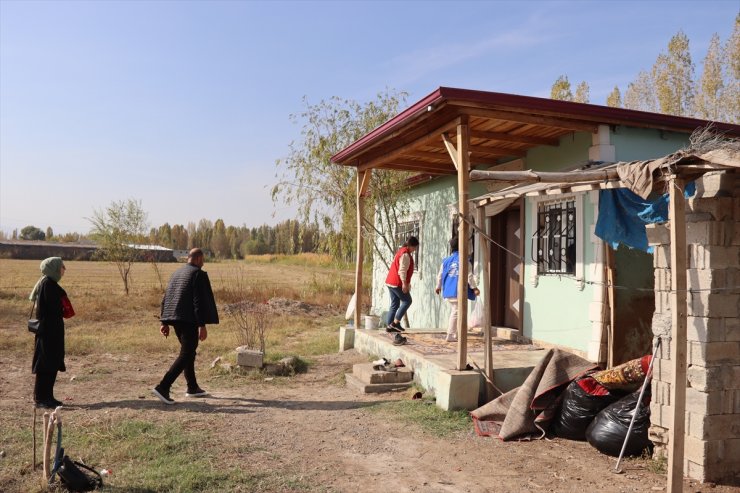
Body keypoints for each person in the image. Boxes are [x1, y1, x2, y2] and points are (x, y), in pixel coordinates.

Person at [153, 248, 219, 404]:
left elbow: (166, 298)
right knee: (186, 354)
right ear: (197, 259)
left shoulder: (176, 273)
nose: (203, 263)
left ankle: (192, 387)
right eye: (202, 260)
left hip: (176, 319)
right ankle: (163, 387)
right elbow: (198, 301)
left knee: (189, 353)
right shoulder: (197, 274)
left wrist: (165, 321)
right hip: (188, 320)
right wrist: (201, 325)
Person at [30, 257, 71, 408]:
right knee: (46, 365)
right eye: (62, 266)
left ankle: (48, 396)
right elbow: (52, 309)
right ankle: (41, 398)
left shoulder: (50, 284)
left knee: (52, 363)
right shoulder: (48, 285)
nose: (64, 269)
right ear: (53, 268)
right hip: (48, 333)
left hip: (52, 331)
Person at [435, 237, 479, 342]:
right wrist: (475, 288)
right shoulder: (464, 260)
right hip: (458, 291)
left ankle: (456, 334)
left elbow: (440, 275)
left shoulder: (446, 261)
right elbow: (469, 276)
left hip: (449, 290)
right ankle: (450, 334)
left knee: (457, 312)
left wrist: (438, 286)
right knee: (456, 311)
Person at [384, 236, 419, 346]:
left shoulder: (401, 251)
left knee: (394, 304)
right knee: (407, 301)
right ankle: (395, 323)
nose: (415, 250)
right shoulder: (405, 255)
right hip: (397, 283)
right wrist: (404, 283)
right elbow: (402, 270)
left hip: (391, 281)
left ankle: (390, 327)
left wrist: (407, 282)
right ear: (410, 246)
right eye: (414, 247)